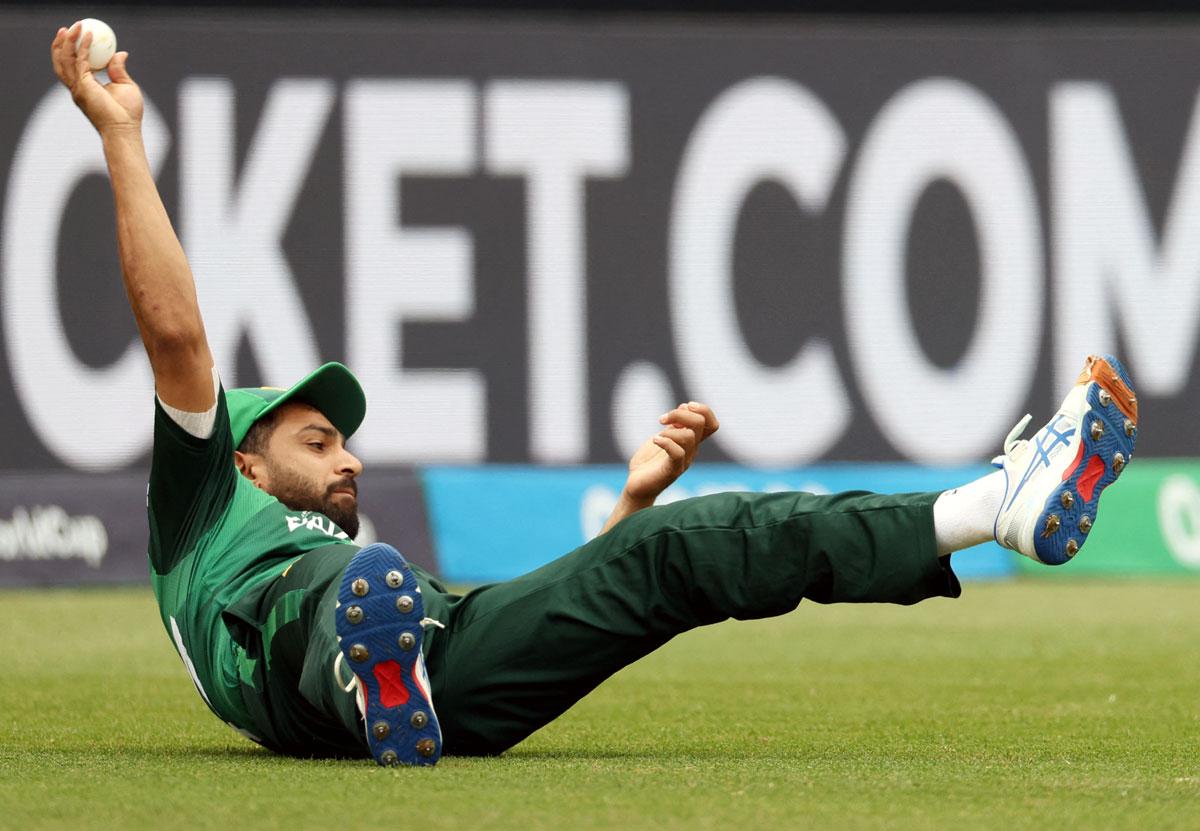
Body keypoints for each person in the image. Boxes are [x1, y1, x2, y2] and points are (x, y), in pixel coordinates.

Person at [51, 22, 1139, 767]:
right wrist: (124, 140)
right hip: (307, 658)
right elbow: (179, 334)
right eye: (320, 438)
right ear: (241, 455)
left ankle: (990, 508)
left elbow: (521, 615)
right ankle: (361, 670)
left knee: (689, 548)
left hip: (438, 671)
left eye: (347, 446)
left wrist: (627, 515)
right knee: (338, 592)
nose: (350, 460)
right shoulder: (201, 511)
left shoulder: (375, 567)